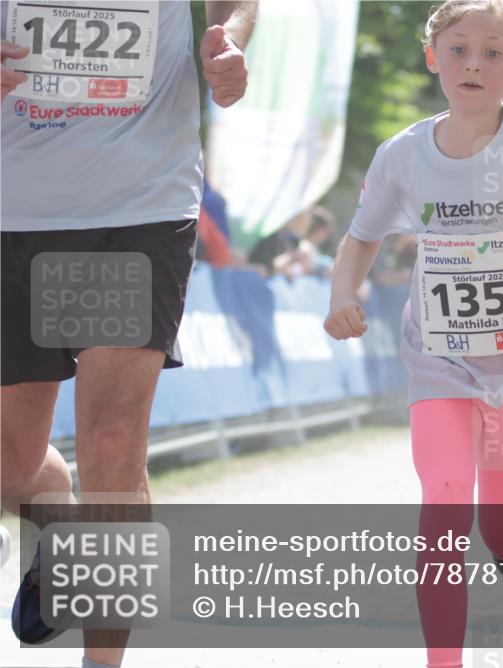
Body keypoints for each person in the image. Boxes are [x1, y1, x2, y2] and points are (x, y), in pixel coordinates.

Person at [323, 2, 503, 665]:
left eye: (491, 52)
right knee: (445, 498)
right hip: (440, 362)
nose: (472, 64)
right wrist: (343, 293)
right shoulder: (403, 154)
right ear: (432, 58)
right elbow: (360, 239)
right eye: (457, 50)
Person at [1, 2, 256, 667]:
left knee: (114, 443)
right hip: (12, 209)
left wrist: (228, 38)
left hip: (136, 206)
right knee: (11, 466)